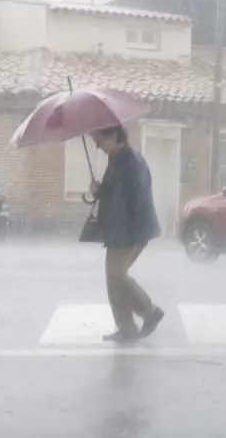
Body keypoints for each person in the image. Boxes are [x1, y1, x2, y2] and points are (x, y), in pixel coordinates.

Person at [88, 124, 164, 343]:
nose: (96, 143)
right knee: (113, 279)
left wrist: (137, 233)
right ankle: (127, 329)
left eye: (98, 138)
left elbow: (136, 198)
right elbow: (118, 192)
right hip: (120, 230)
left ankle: (149, 312)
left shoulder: (129, 160)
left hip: (129, 230)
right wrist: (100, 191)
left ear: (112, 135)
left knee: (116, 275)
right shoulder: (118, 158)